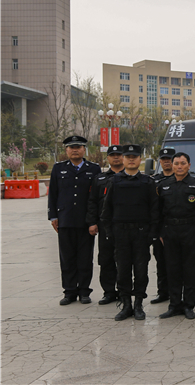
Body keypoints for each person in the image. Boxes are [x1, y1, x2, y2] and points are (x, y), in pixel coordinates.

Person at [101, 144, 159, 321]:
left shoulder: (148, 182)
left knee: (141, 271)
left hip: (141, 233)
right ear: (123, 159)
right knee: (123, 271)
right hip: (121, 234)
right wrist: (109, 232)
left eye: (135, 157)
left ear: (140, 160)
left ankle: (138, 304)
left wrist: (152, 233)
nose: (131, 160)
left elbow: (154, 210)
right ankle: (126, 305)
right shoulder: (114, 181)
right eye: (128, 157)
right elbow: (106, 210)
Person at [48, 135, 102, 305]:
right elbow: (53, 194)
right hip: (65, 220)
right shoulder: (58, 169)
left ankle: (84, 291)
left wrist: (95, 220)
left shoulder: (94, 169)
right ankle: (69, 291)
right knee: (67, 258)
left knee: (85, 258)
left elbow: (97, 196)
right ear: (66, 150)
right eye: (71, 147)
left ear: (84, 149)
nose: (75, 150)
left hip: (86, 221)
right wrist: (53, 216)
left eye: (78, 147)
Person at [156, 152, 195, 320]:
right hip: (170, 230)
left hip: (190, 230)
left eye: (183, 163)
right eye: (176, 163)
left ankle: (188, 305)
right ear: (172, 165)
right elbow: (158, 212)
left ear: (189, 166)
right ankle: (174, 305)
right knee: (172, 269)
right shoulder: (163, 185)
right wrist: (161, 232)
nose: (179, 166)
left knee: (189, 269)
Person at [86, 145, 123, 305]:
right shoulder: (100, 179)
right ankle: (109, 292)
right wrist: (92, 222)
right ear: (108, 158)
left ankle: (124, 291)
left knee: (124, 260)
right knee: (106, 259)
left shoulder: (130, 177)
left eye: (119, 154)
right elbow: (93, 202)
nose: (116, 157)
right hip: (105, 226)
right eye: (112, 155)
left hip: (124, 226)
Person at [149, 147, 176, 305]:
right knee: (161, 262)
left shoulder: (180, 179)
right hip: (160, 228)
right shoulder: (153, 181)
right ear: (160, 161)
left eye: (169, 159)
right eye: (164, 159)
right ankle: (163, 292)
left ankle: (176, 292)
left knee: (176, 263)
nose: (167, 162)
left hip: (176, 228)